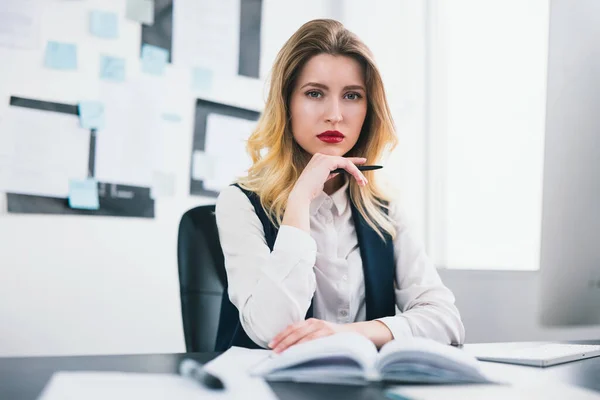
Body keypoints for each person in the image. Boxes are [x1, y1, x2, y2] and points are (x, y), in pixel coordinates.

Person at [214, 18, 465, 353]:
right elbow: (270, 332)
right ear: (286, 103)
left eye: (352, 95)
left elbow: (447, 321)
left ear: (368, 109)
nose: (335, 114)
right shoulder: (239, 202)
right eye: (314, 93)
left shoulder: (385, 209)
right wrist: (300, 200)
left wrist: (348, 333)